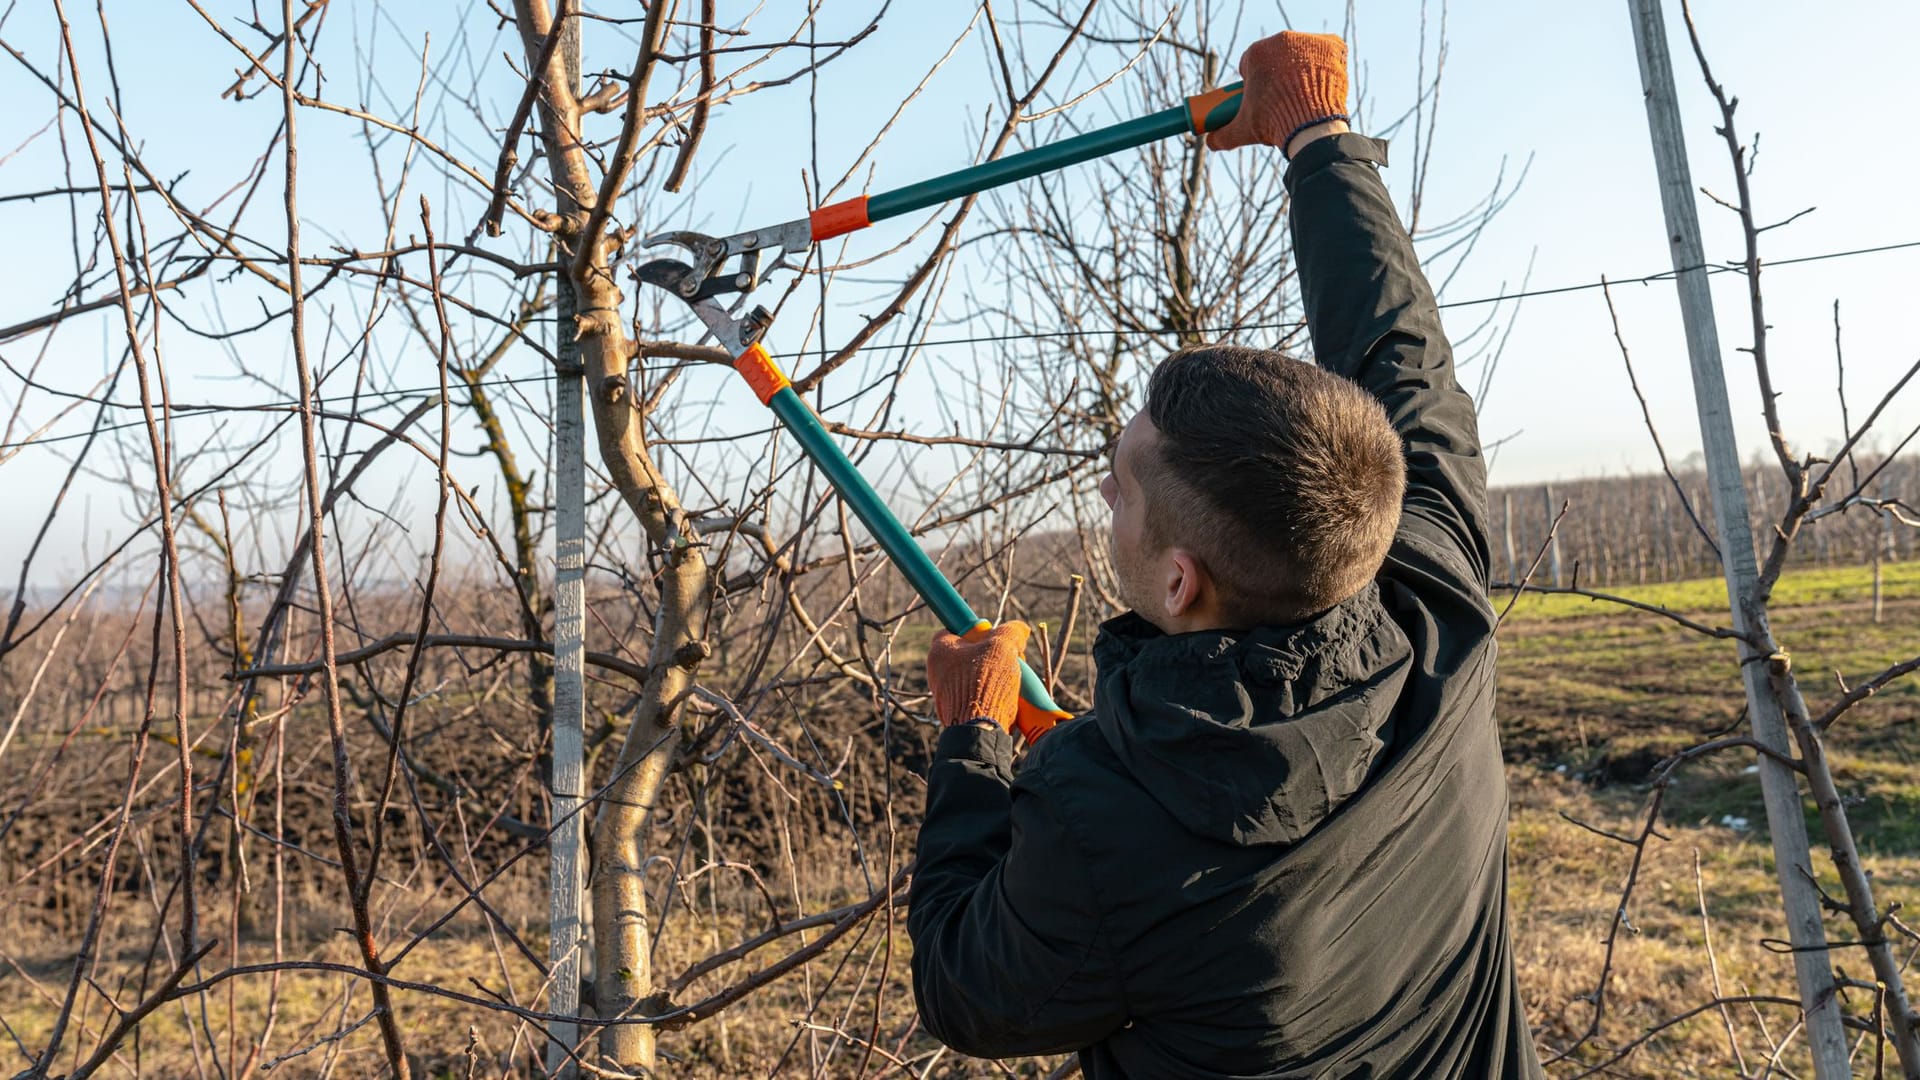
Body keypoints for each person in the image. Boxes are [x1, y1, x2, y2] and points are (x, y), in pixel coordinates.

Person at [905, 30, 1544, 1079]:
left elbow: (966, 992)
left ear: (1178, 580)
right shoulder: (1436, 612)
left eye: (1123, 487)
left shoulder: (1101, 820)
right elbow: (1401, 362)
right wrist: (1318, 141)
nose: (1107, 491)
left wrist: (971, 744)